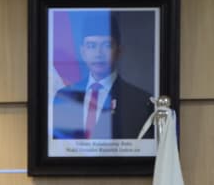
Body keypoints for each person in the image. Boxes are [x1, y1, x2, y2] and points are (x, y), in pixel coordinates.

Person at [51, 10, 153, 140]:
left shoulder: (141, 101)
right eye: (91, 46)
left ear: (119, 51)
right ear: (83, 52)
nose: (98, 53)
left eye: (106, 45)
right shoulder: (64, 97)